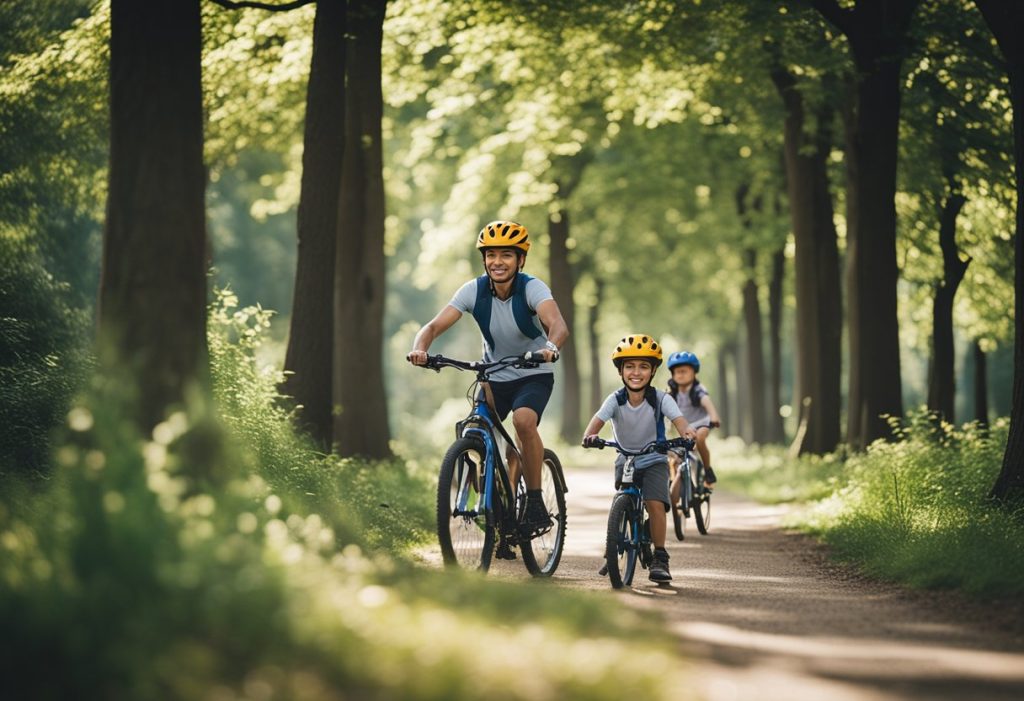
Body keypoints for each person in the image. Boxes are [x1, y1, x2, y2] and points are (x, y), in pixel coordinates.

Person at [407, 220, 569, 543]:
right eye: (491, 255)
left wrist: (550, 348)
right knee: (475, 430)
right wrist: (420, 348)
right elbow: (433, 327)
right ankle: (489, 503)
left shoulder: (532, 288)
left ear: (520, 260)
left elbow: (558, 326)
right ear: (484, 259)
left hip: (533, 374)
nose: (498, 262)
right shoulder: (474, 291)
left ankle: (534, 501)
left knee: (524, 423)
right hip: (494, 376)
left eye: (506, 255)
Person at [581, 334, 696, 583]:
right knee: (621, 500)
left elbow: (679, 421)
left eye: (643, 366)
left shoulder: (660, 399)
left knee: (655, 504)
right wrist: (590, 436)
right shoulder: (615, 399)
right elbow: (596, 423)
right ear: (621, 371)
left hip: (654, 459)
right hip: (626, 459)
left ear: (653, 371)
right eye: (630, 366)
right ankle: (613, 545)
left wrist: (686, 433)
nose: (636, 372)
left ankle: (660, 557)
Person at [665, 351, 721, 504]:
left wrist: (714, 417)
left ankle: (708, 470)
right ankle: (678, 484)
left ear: (694, 373)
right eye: (677, 372)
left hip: (702, 422)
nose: (680, 375)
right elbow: (662, 408)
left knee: (701, 438)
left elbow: (706, 401)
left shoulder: (697, 389)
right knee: (676, 457)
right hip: (684, 428)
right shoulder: (672, 392)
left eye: (684, 371)